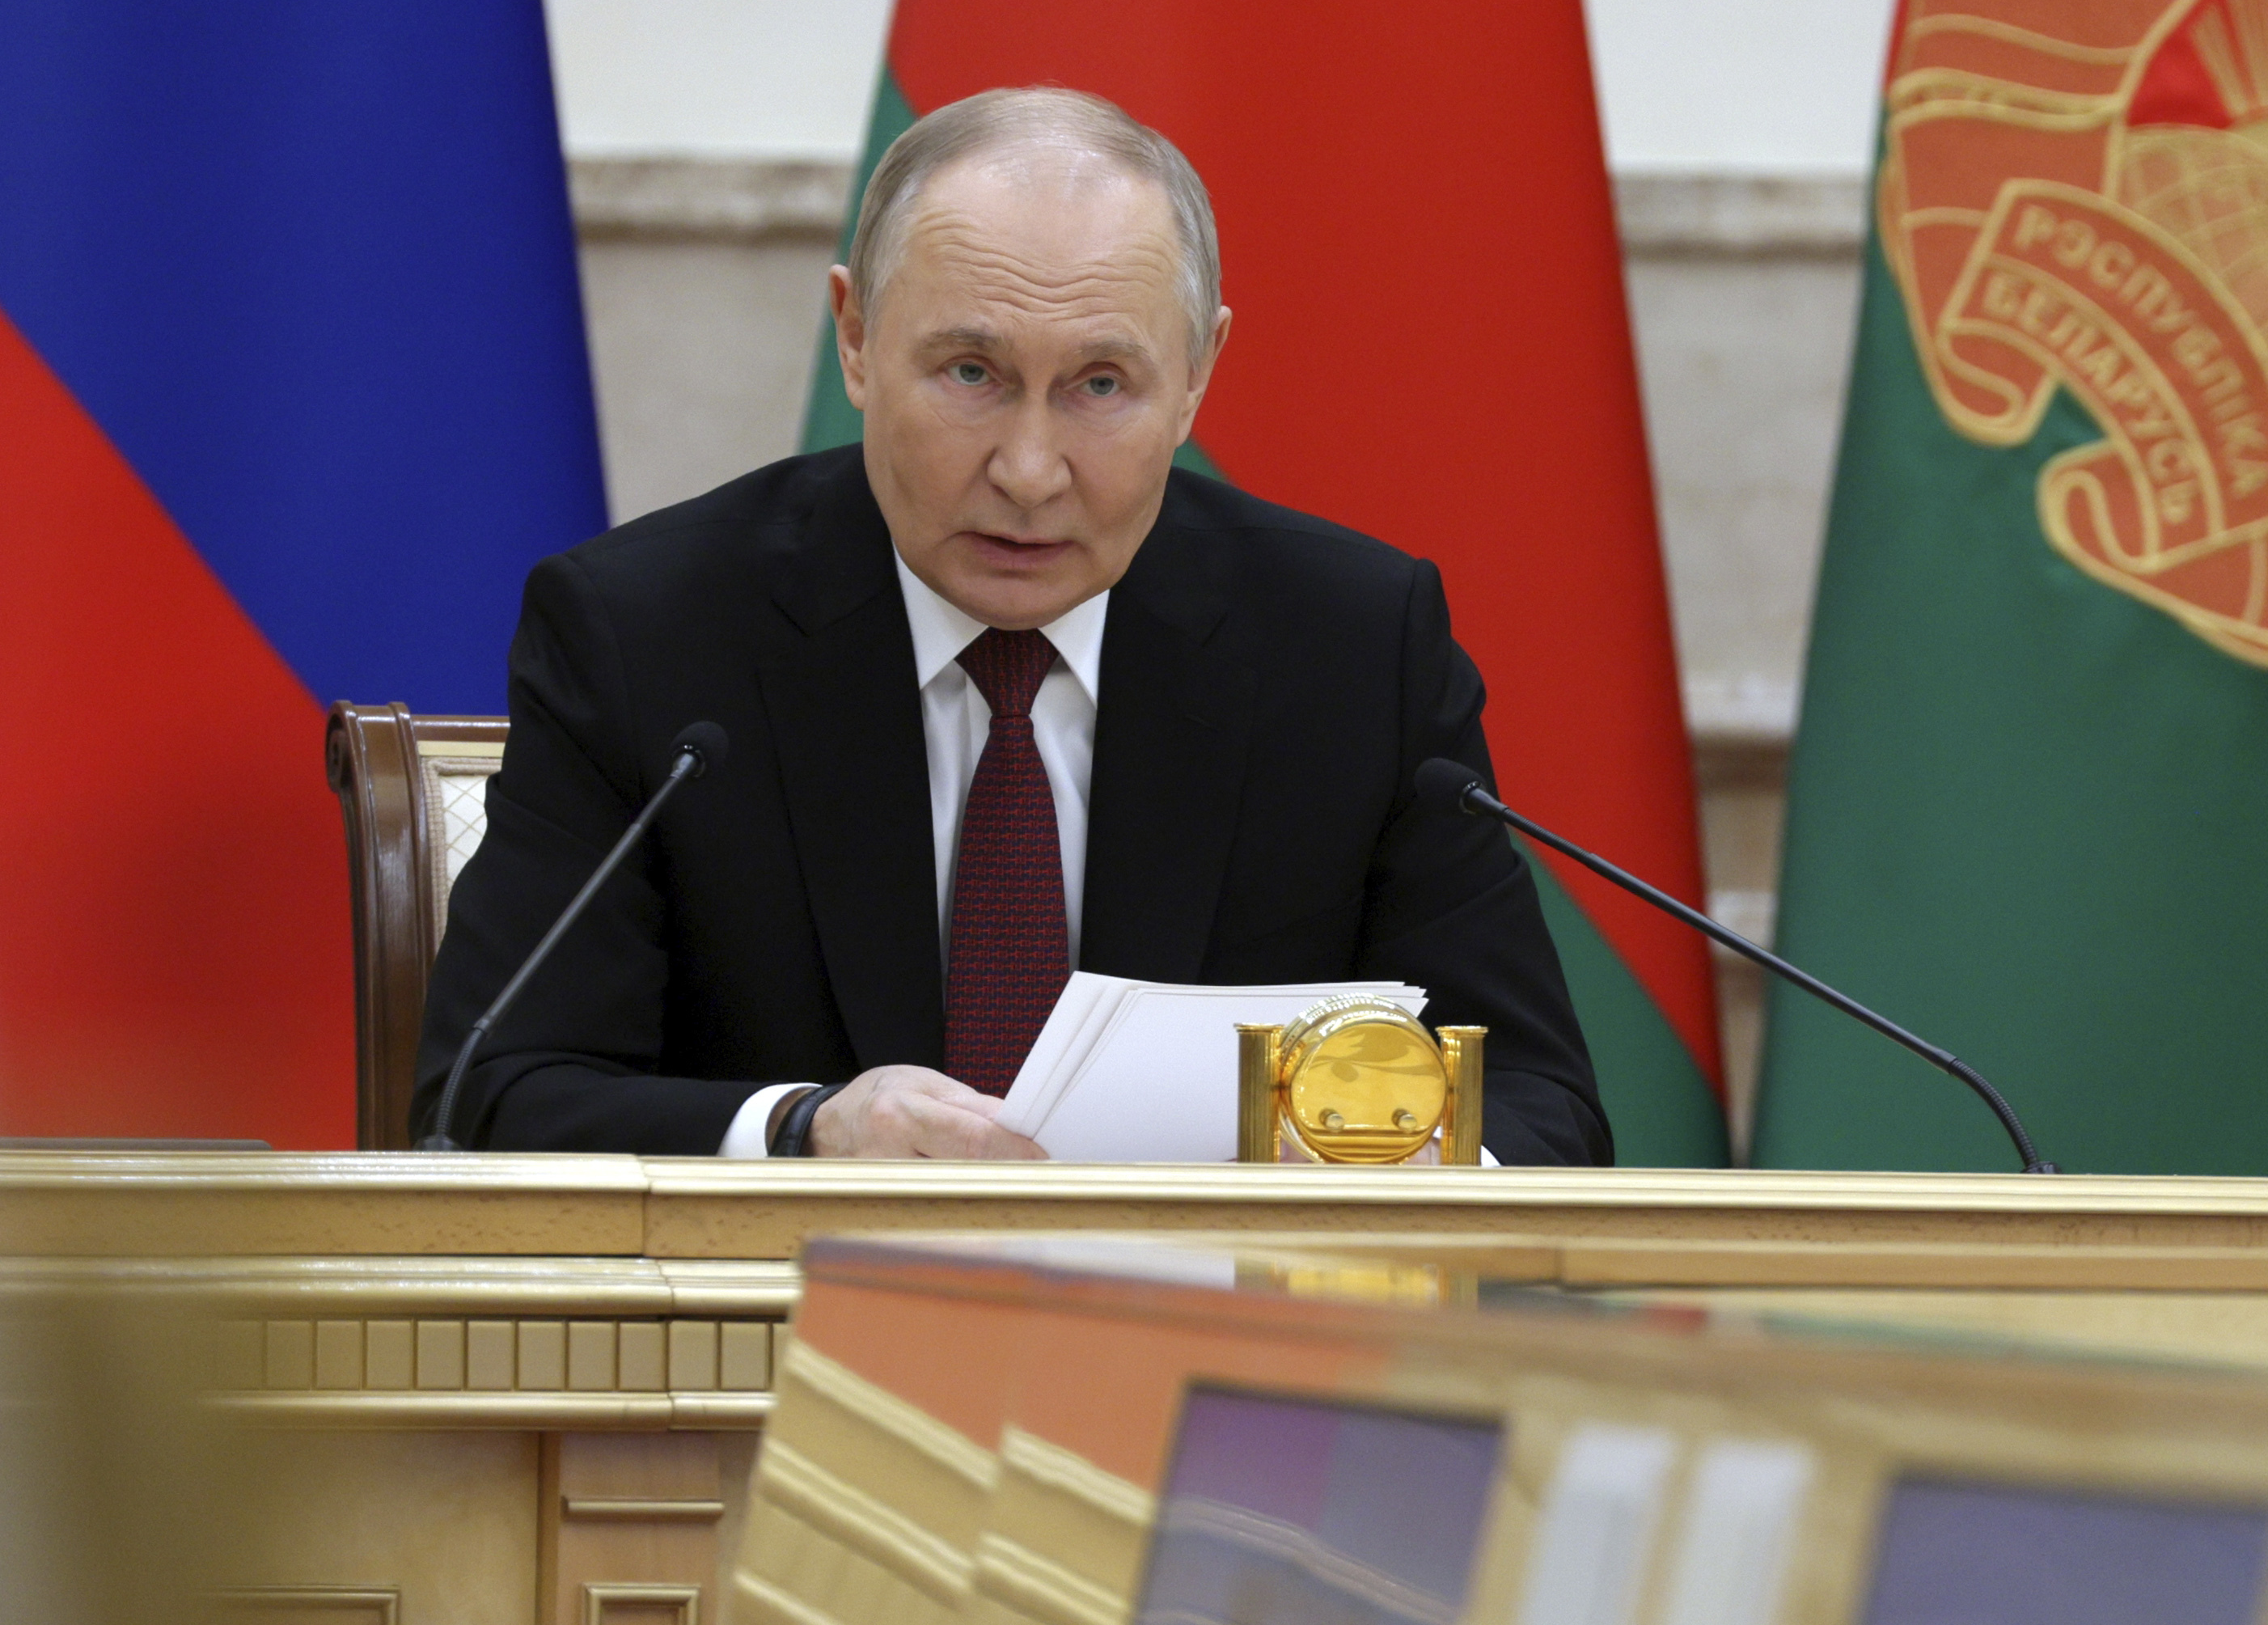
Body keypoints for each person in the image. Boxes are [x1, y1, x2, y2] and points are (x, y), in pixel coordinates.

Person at [416, 87, 1609, 1162]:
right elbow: (494, 1087)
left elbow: (1543, 1105)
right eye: (971, 373)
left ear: (1198, 372)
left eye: (1100, 384)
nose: (1031, 471)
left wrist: (1373, 1160)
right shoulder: (647, 632)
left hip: (1217, 1371)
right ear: (856, 339)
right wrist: (802, 1127)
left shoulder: (1351, 647)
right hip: (775, 1361)